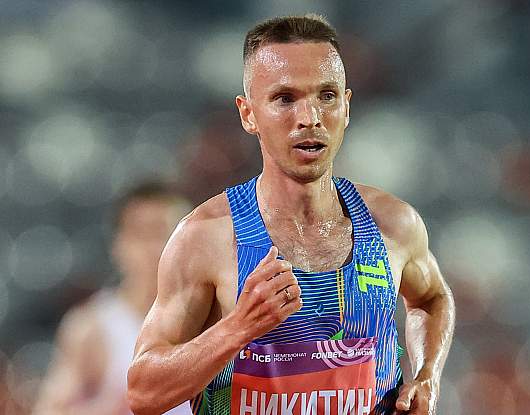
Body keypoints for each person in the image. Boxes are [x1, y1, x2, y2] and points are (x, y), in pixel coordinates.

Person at [128, 14, 455, 415]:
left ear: (347, 107)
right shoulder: (206, 237)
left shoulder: (394, 224)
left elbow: (432, 298)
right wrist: (237, 328)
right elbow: (143, 393)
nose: (309, 117)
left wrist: (427, 375)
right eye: (285, 99)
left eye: (326, 96)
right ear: (248, 114)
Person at [34, 182, 193, 415]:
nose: (154, 248)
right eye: (141, 234)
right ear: (118, 244)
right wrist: (105, 408)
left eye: (165, 232)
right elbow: (49, 410)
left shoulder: (218, 319)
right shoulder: (92, 326)